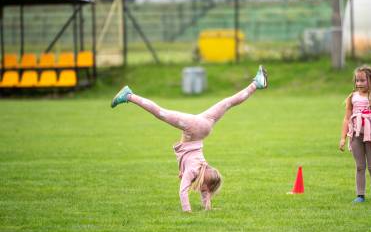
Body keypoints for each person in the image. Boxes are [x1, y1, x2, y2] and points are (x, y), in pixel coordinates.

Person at [110, 65, 268, 212]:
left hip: (203, 128)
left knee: (229, 102)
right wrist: (187, 211)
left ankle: (256, 84)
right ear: (204, 182)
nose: (203, 192)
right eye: (205, 189)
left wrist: (208, 208)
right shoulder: (193, 171)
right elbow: (183, 191)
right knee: (160, 112)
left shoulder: (203, 168)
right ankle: (129, 95)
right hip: (195, 128)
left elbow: (205, 189)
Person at [339, 65, 371, 203]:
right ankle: (360, 195)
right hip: (356, 136)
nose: (359, 84)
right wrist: (343, 138)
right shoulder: (352, 97)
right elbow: (346, 118)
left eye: (362, 80)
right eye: (357, 80)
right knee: (360, 166)